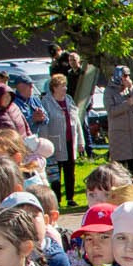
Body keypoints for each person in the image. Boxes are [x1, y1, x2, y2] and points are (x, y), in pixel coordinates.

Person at [44, 75, 86, 205]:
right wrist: (45, 145)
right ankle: (56, 199)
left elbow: (77, 121)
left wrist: (81, 141)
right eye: (62, 86)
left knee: (70, 170)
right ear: (54, 88)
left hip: (70, 140)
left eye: (65, 85)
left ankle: (70, 198)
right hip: (55, 142)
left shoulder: (69, 100)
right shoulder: (46, 102)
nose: (65, 88)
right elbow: (44, 125)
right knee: (55, 172)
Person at [106, 66, 133, 183]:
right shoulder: (109, 91)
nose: (127, 78)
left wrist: (132, 88)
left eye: (128, 76)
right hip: (120, 133)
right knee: (121, 165)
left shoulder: (130, 89)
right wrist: (127, 104)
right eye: (125, 76)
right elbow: (111, 111)